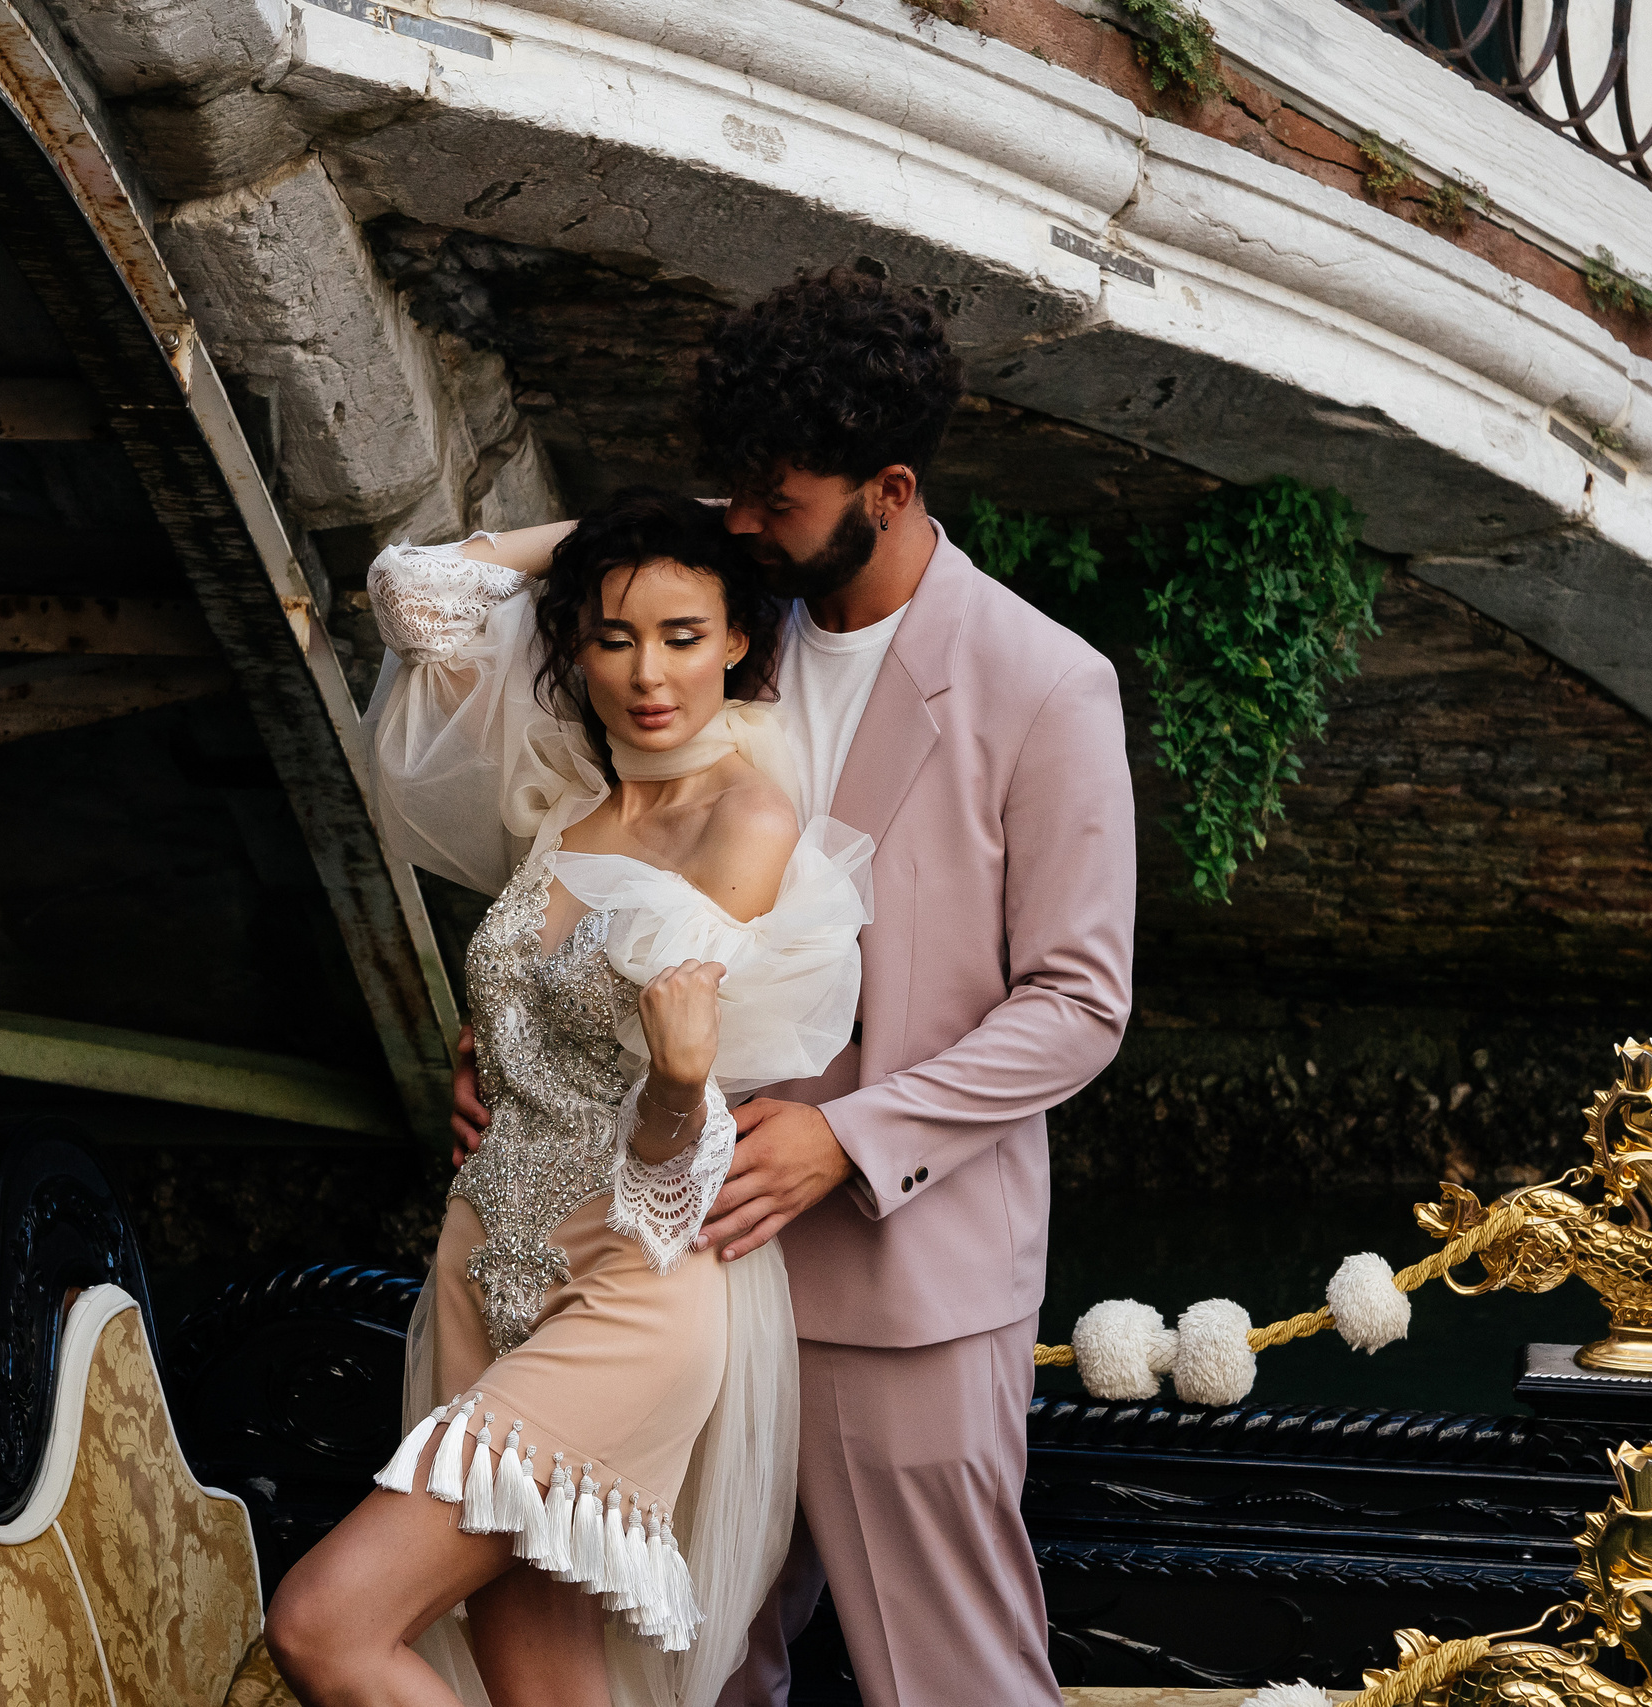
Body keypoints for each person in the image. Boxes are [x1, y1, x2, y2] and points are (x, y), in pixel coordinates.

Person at [450, 270, 1138, 1707]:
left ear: (888, 489)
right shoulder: (700, 612)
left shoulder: (1046, 683)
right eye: (733, 491)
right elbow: (604, 861)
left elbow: (1079, 998)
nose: (741, 521)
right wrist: (521, 1045)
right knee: (687, 1670)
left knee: (947, 1675)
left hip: (903, 1276)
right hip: (663, 1258)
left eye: (775, 496)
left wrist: (853, 1137)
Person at [266, 491, 874, 1707]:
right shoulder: (565, 804)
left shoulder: (744, 819)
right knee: (536, 1671)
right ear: (575, 645)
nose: (648, 673)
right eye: (613, 635)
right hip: (485, 1263)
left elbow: (675, 1118)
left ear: (741, 641)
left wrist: (681, 1086)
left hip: (627, 1282)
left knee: (325, 1626)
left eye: (684, 634)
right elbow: (413, 591)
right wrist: (630, 522)